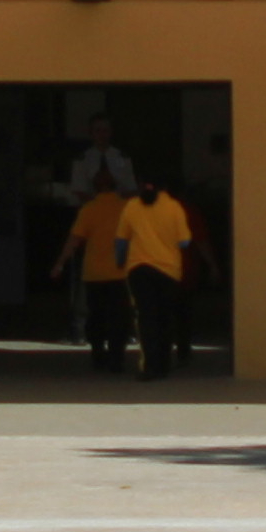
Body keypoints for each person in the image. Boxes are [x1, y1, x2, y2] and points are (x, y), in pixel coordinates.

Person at [116, 174, 197, 379]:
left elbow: (121, 240)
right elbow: (185, 241)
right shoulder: (174, 207)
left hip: (138, 270)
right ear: (165, 187)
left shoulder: (132, 205)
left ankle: (149, 366)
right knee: (165, 318)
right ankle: (164, 365)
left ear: (141, 186)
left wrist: (119, 261)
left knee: (146, 319)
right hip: (168, 271)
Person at [60, 162, 135, 372]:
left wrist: (60, 262)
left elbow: (74, 240)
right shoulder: (126, 207)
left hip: (93, 274)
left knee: (96, 316)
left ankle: (98, 354)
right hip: (120, 273)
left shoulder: (89, 209)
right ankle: (116, 358)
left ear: (94, 187)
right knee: (119, 317)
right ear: (116, 186)